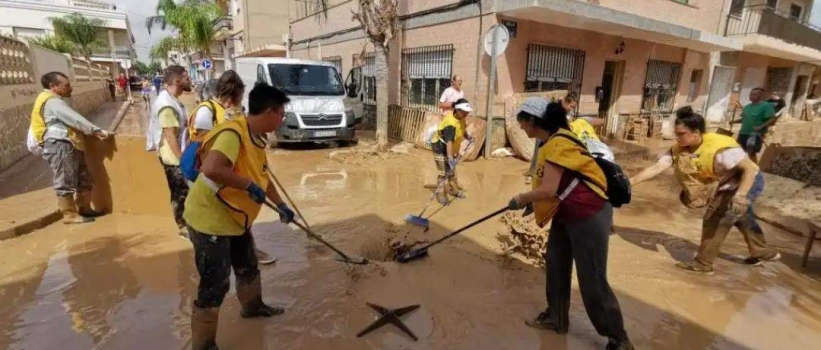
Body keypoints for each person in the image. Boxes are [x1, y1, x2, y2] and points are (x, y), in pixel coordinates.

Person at [508, 101, 632, 350]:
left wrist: (520, 199)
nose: (519, 126)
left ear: (533, 121)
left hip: (589, 214)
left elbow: (549, 188)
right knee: (555, 265)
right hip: (565, 213)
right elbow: (559, 183)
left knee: (592, 279)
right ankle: (556, 318)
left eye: (521, 120)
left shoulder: (558, 143)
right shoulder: (550, 141)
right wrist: (535, 205)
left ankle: (618, 338)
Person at [183, 83, 296, 350]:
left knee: (247, 266)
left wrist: (280, 204)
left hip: (236, 217)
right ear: (270, 112)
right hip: (210, 219)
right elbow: (212, 168)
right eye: (281, 114)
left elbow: (262, 177)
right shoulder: (233, 133)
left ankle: (253, 307)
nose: (282, 120)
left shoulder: (256, 138)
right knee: (215, 283)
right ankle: (204, 344)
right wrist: (247, 186)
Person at [631, 106, 780, 274]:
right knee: (740, 216)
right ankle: (764, 252)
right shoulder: (678, 149)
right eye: (676, 133)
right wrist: (630, 183)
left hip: (748, 181)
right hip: (725, 183)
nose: (677, 138)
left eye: (681, 134)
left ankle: (703, 263)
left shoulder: (720, 148)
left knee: (716, 218)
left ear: (696, 132)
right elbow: (657, 167)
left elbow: (750, 169)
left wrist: (741, 196)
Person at [28, 72, 112, 224]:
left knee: (83, 177)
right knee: (64, 179)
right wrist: (96, 130)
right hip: (60, 144)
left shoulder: (54, 100)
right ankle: (69, 215)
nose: (70, 88)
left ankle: (84, 208)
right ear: (53, 87)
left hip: (70, 143)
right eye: (66, 85)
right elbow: (74, 119)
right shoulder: (52, 101)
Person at [149, 65, 192, 239]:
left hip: (177, 154)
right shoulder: (166, 104)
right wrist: (183, 160)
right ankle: (182, 227)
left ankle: (187, 223)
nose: (190, 81)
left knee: (184, 191)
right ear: (177, 81)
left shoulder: (172, 100)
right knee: (180, 192)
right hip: (173, 157)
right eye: (187, 78)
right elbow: (169, 135)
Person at [525, 93, 582, 184]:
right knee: (539, 152)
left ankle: (541, 174)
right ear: (567, 102)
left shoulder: (566, 111)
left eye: (573, 108)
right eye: (571, 106)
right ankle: (533, 172)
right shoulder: (557, 106)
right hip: (545, 132)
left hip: (553, 135)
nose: (572, 109)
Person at [430, 98, 472, 205]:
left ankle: (454, 190)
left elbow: (463, 128)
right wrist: (450, 158)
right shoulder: (450, 124)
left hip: (450, 147)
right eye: (464, 112)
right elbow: (449, 142)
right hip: (439, 147)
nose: (466, 114)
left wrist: (467, 137)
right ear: (457, 110)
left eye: (467, 112)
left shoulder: (461, 117)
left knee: (452, 171)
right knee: (443, 172)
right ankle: (440, 194)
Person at [189, 71, 244, 142]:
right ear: (230, 99)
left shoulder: (234, 110)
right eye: (240, 98)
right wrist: (225, 125)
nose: (240, 101)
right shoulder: (205, 110)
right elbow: (203, 142)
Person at [732, 87, 775, 163]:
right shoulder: (747, 107)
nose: (751, 96)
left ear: (760, 96)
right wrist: (733, 121)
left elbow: (772, 120)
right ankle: (741, 169)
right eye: (751, 94)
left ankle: (755, 171)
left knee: (751, 153)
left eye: (754, 94)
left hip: (755, 134)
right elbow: (744, 119)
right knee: (739, 152)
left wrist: (761, 127)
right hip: (743, 133)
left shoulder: (766, 106)